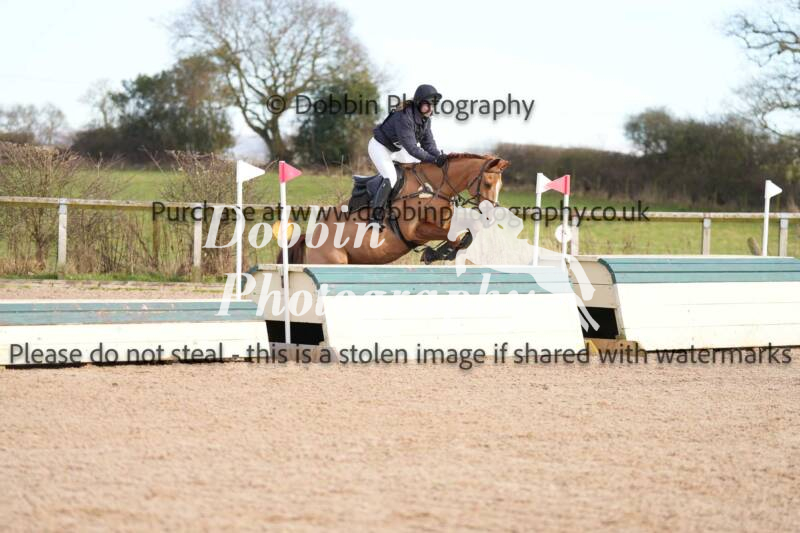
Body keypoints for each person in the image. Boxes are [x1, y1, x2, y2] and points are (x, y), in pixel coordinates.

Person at [367, 84, 447, 229]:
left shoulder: (426, 120)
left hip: (396, 149)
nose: (431, 109)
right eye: (428, 105)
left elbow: (428, 145)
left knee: (417, 170)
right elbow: (412, 148)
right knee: (391, 177)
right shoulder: (404, 116)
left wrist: (440, 156)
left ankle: (400, 208)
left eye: (433, 105)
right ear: (419, 103)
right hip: (379, 147)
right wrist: (433, 159)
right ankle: (375, 217)